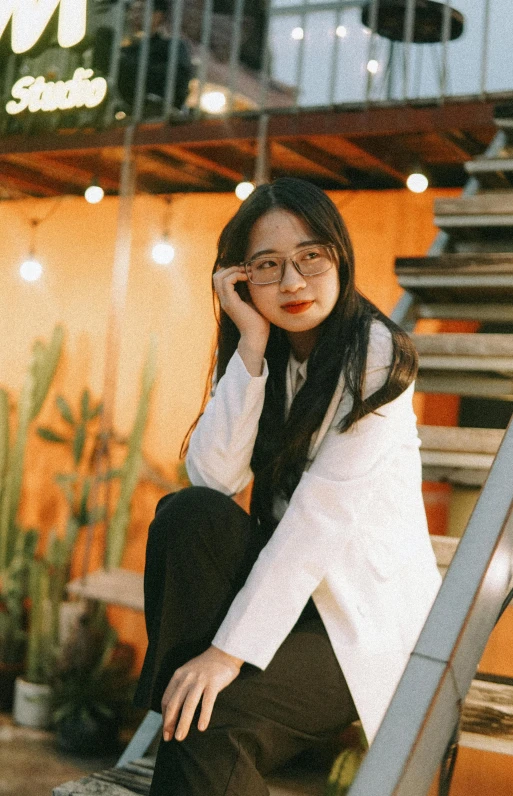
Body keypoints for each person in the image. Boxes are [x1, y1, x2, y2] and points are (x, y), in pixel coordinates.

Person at [135, 177, 442, 795]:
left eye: (310, 258)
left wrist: (225, 655)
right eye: (268, 266)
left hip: (354, 617)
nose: (293, 283)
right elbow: (215, 476)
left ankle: (190, 714)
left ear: (339, 256)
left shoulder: (375, 356)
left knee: (207, 726)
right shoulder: (267, 348)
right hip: (284, 597)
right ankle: (186, 703)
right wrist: (250, 342)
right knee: (188, 514)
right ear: (242, 279)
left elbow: (318, 522)